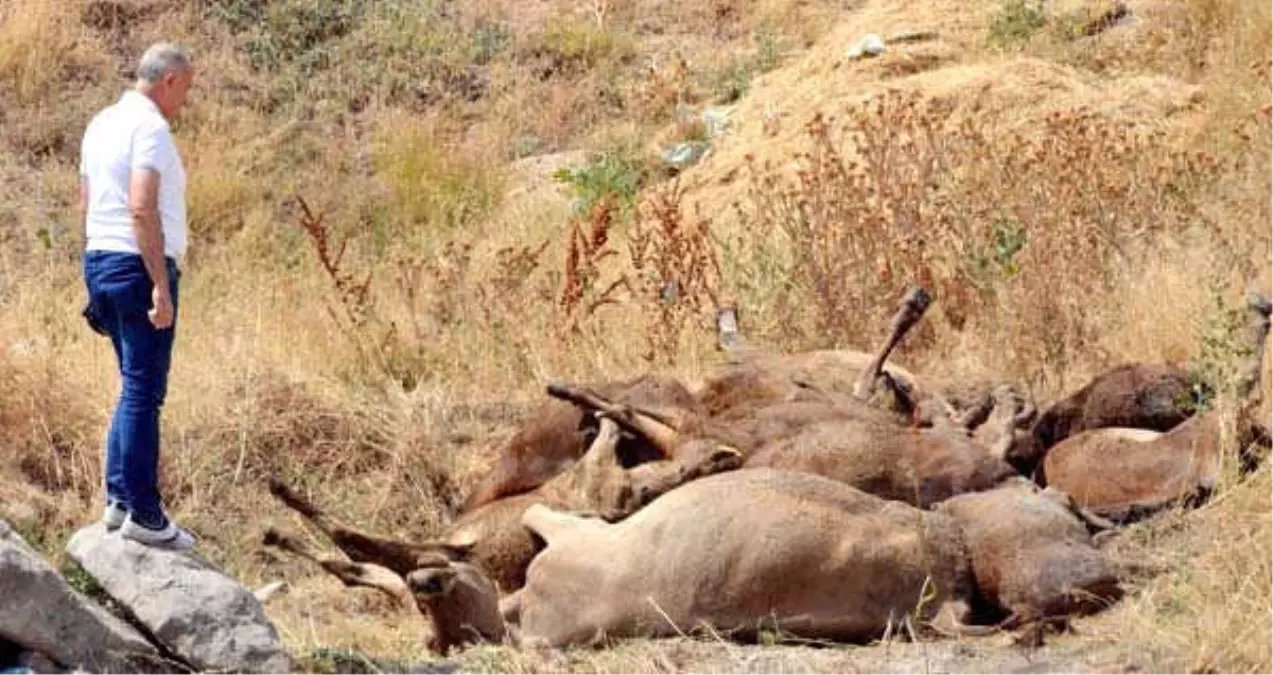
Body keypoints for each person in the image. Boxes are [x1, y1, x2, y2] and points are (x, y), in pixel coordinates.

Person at [79, 43, 196, 550]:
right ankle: (145, 515)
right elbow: (142, 207)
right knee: (146, 391)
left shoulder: (101, 123)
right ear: (168, 80)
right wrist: (159, 284)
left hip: (100, 258)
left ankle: (119, 501)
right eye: (186, 88)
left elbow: (85, 202)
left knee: (132, 386)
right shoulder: (149, 128)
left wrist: (94, 274)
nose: (186, 100)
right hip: (135, 264)